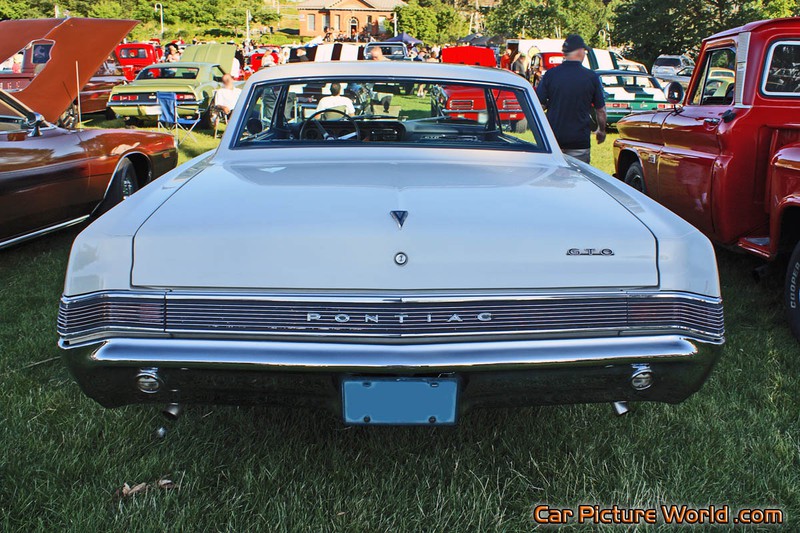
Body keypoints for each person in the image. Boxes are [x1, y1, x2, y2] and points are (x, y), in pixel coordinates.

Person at [536, 34, 607, 164]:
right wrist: (601, 130)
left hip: (553, 139)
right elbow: (600, 110)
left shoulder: (550, 75)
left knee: (552, 178)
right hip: (579, 141)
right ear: (580, 51)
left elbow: (539, 106)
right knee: (578, 180)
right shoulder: (590, 77)